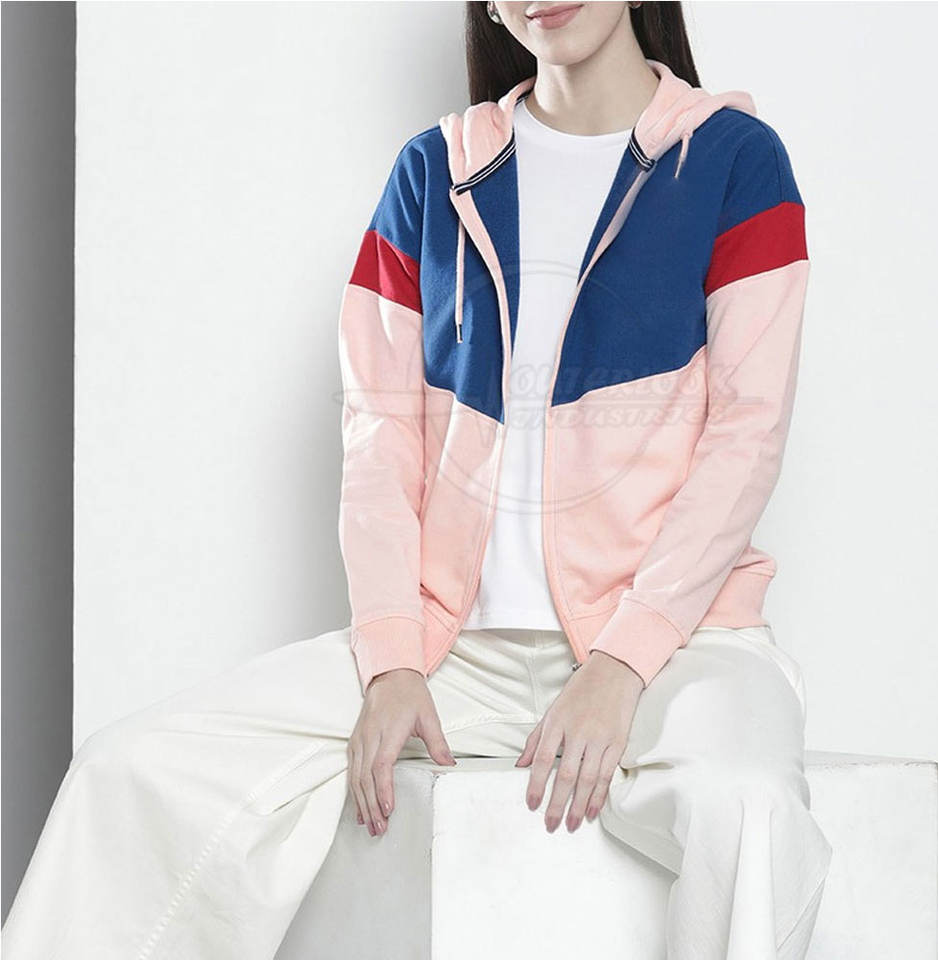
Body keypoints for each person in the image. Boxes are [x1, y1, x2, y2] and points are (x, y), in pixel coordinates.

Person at [2, 3, 833, 958]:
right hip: (456, 652)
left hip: (680, 645)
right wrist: (394, 659)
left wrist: (623, 662)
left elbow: (746, 435)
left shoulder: (731, 160)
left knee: (749, 802)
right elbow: (380, 437)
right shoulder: (433, 172)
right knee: (129, 771)